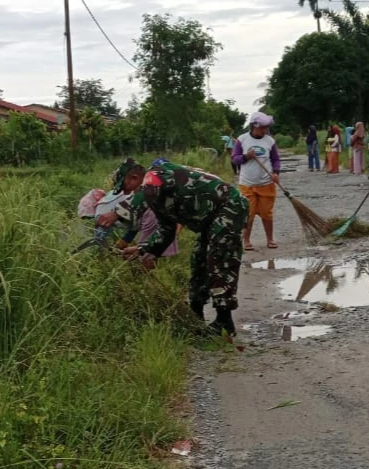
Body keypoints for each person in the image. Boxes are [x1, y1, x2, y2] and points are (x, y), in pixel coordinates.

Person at [112, 158, 249, 336]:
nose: (128, 193)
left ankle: (224, 322)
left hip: (229, 206)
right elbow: (167, 230)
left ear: (134, 177)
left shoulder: (157, 173)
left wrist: (117, 213)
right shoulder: (157, 198)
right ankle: (196, 315)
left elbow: (149, 187)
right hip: (210, 218)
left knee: (219, 259)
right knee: (198, 259)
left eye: (126, 188)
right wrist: (142, 250)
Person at [232, 112, 281, 251]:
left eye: (266, 127)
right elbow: (234, 159)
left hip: (266, 183)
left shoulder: (269, 141)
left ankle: (270, 239)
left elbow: (275, 159)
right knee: (249, 213)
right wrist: (246, 156)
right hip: (247, 184)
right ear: (254, 126)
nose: (265, 130)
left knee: (267, 213)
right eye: (263, 127)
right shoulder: (242, 140)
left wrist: (276, 173)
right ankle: (246, 240)